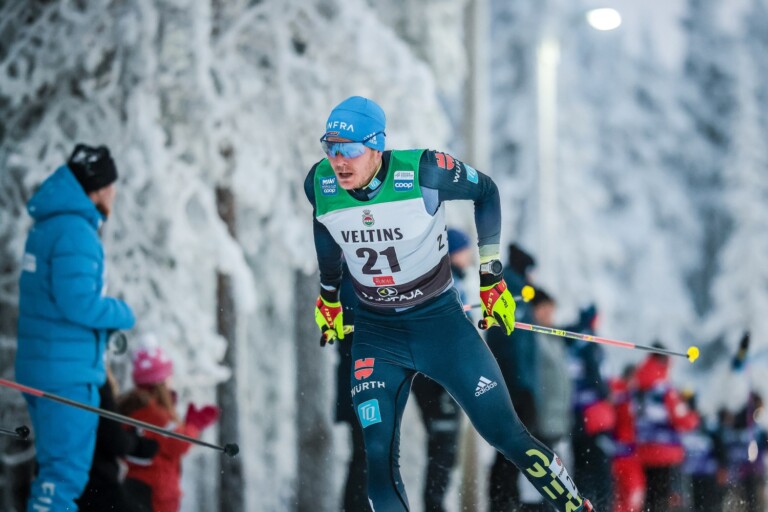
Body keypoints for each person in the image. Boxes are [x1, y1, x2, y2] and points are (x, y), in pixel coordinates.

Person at [305, 95, 595, 512]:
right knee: (377, 456)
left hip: (439, 327)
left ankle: (576, 506)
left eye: (349, 149)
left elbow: (486, 191)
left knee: (505, 433)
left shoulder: (423, 171)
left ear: (377, 146)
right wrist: (329, 296)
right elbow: (324, 228)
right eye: (330, 148)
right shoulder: (320, 183)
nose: (338, 161)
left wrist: (491, 278)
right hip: (377, 333)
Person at [15, 144, 136, 511]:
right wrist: (122, 312)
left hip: (44, 368)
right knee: (62, 479)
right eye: (111, 186)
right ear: (97, 188)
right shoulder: (76, 232)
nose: (114, 193)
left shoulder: (49, 226)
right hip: (66, 376)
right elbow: (78, 303)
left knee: (53, 474)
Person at [410, 227, 471, 512]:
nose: (468, 257)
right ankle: (434, 506)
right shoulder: (442, 282)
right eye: (464, 250)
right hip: (438, 379)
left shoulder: (453, 280)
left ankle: (435, 504)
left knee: (444, 450)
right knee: (442, 448)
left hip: (444, 377)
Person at [119, 345, 220, 512]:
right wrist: (193, 425)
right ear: (160, 382)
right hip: (156, 490)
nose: (171, 381)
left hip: (139, 484)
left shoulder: (135, 408)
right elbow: (178, 442)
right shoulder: (154, 413)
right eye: (168, 376)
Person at [485, 243, 540, 512]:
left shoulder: (513, 291)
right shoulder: (512, 292)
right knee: (513, 449)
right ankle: (503, 502)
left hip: (514, 383)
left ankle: (505, 500)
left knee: (512, 451)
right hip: (515, 386)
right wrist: (520, 387)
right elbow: (511, 344)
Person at [76, 368, 159, 512]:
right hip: (95, 481)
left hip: (76, 477)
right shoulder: (96, 377)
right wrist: (139, 444)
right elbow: (113, 438)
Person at [632, 345, 699, 512]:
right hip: (666, 454)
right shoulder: (664, 389)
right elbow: (683, 420)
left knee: (650, 501)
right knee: (668, 503)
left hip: (643, 453)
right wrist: (693, 415)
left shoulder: (637, 387)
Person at [564, 305, 614, 511]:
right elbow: (596, 377)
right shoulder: (587, 340)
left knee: (581, 467)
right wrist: (605, 391)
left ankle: (581, 504)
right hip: (592, 417)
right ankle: (599, 506)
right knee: (598, 469)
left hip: (575, 414)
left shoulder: (570, 338)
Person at [332, 261, 373, 512]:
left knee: (367, 454)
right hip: (360, 387)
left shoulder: (355, 285)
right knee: (366, 454)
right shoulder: (349, 287)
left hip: (364, 386)